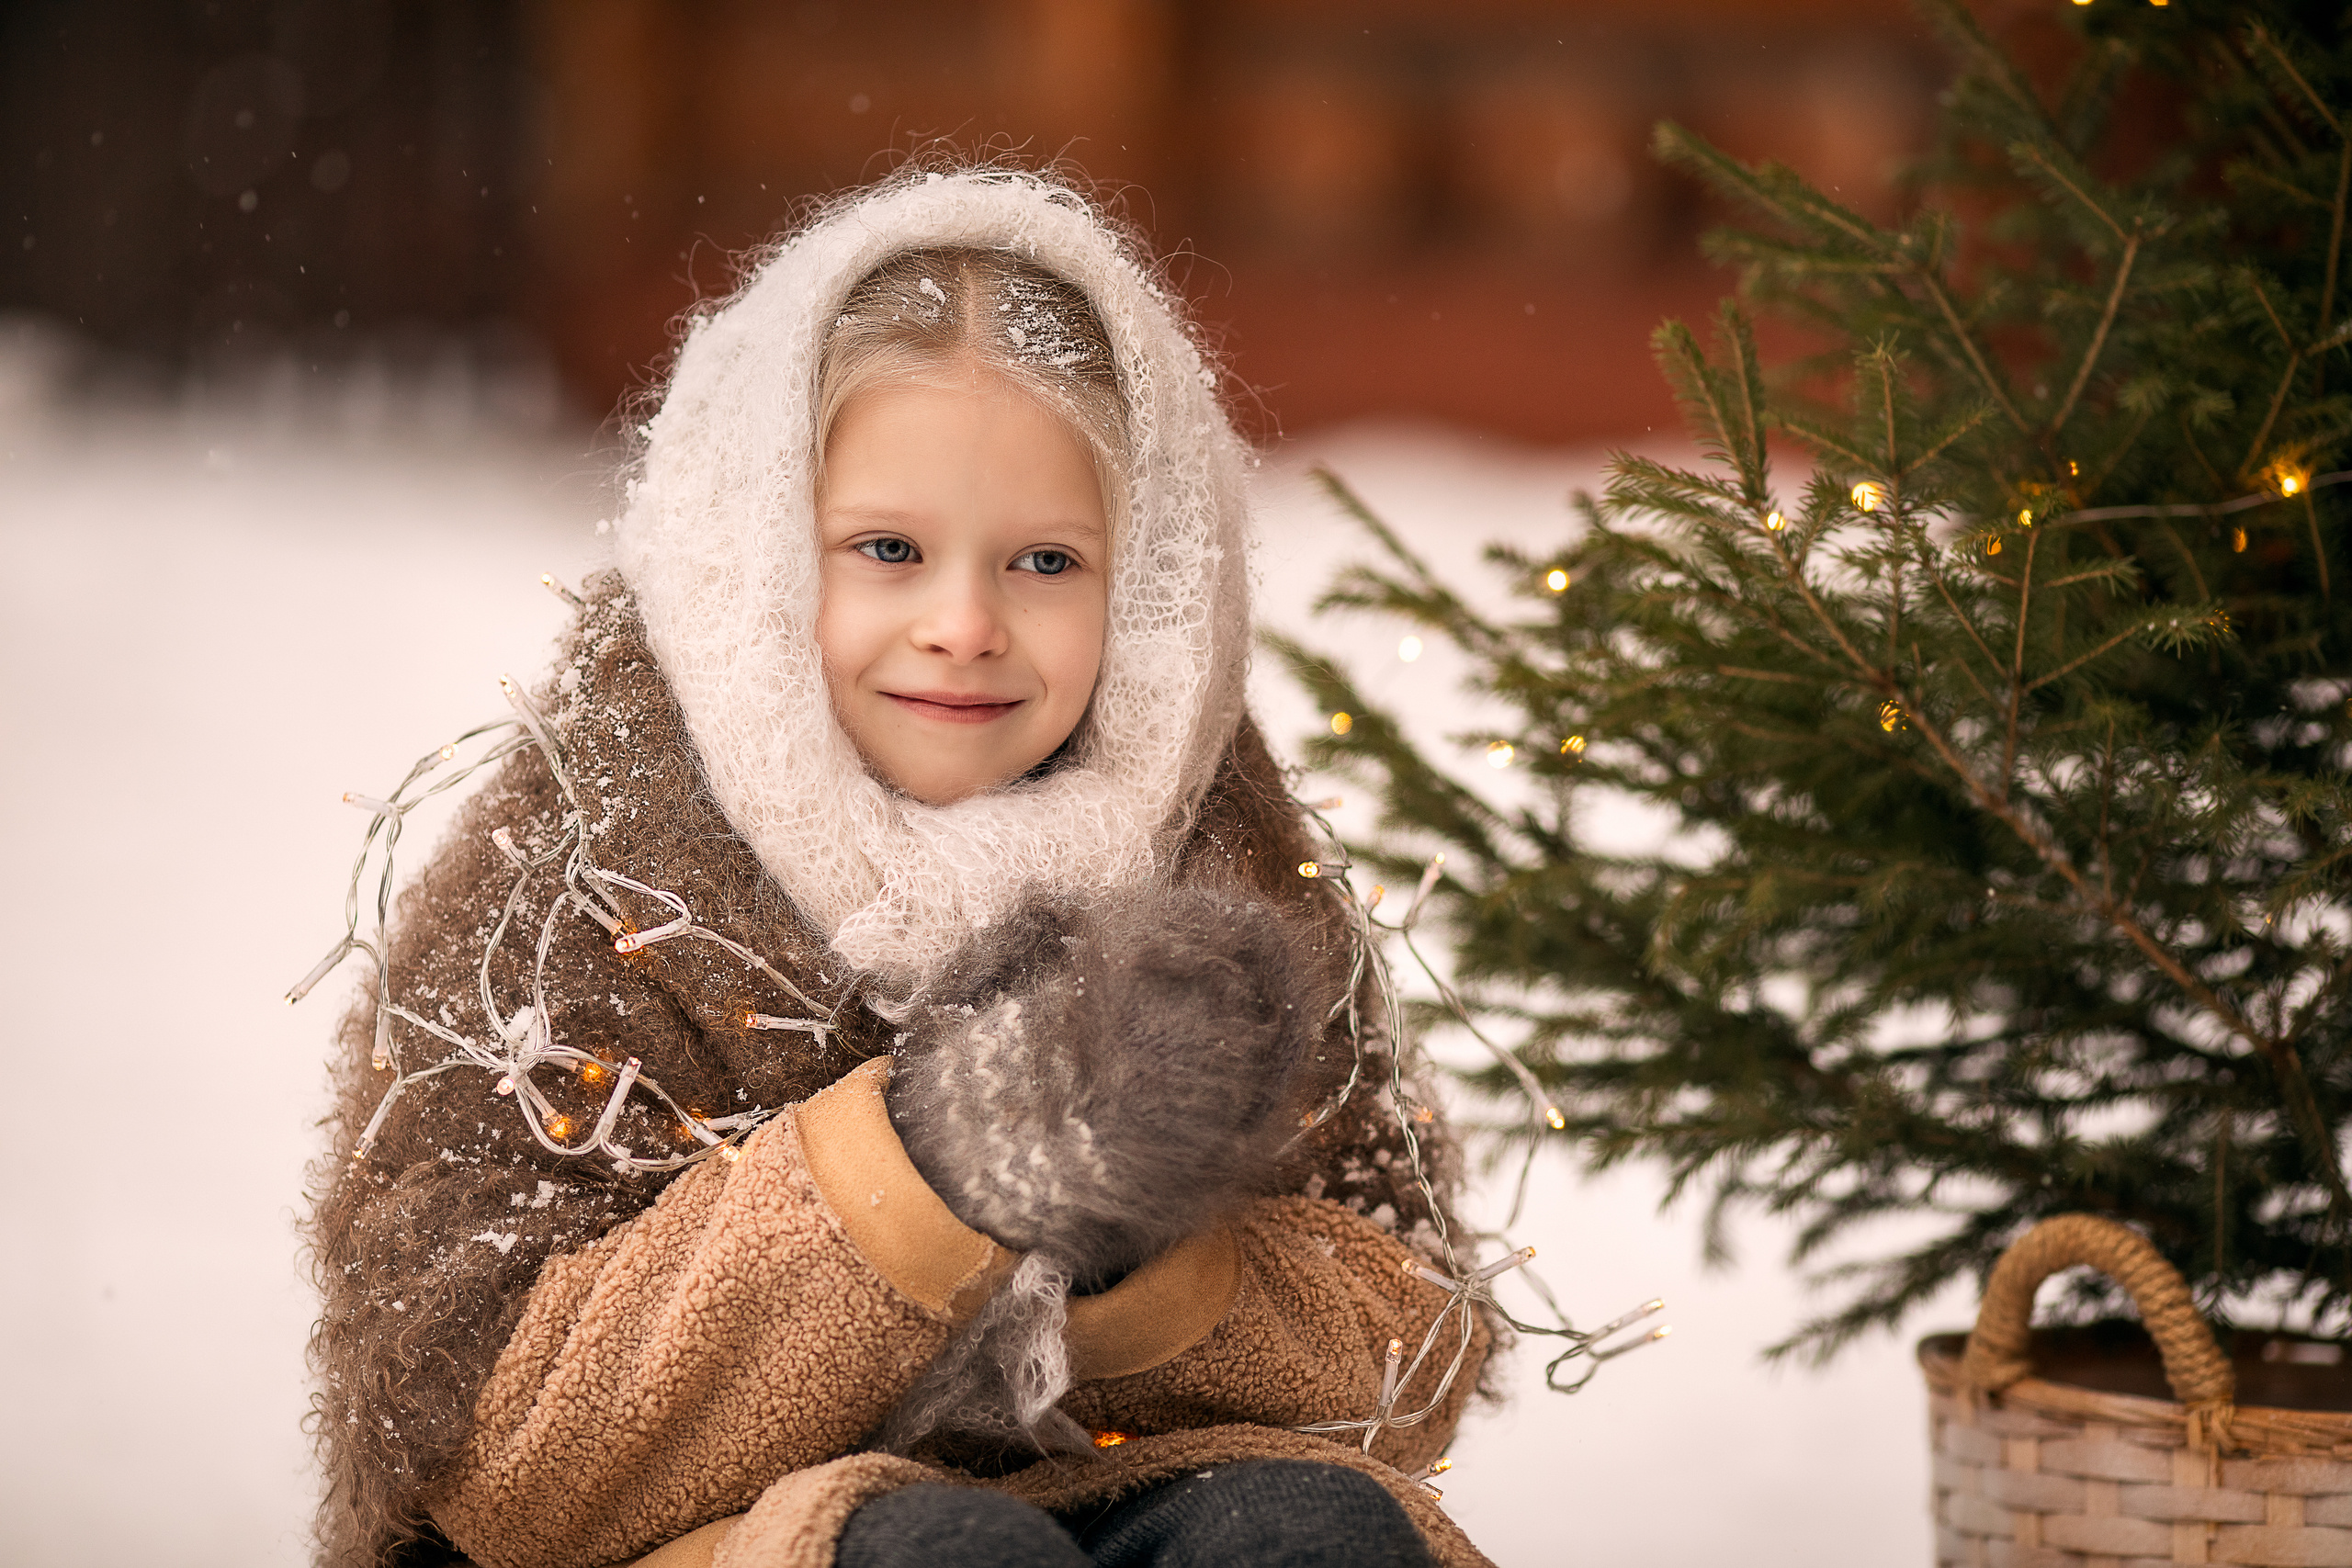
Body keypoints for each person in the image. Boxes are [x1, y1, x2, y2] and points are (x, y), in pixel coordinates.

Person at [305, 168, 1492, 1568]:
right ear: (750, 559)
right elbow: (484, 1452)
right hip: (697, 1536)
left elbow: (1407, 1353)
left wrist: (1135, 1256)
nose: (964, 623)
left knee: (1312, 1537)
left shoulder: (1216, 850)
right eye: (887, 550)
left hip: (1134, 1481)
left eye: (1046, 560)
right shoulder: (593, 861)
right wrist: (931, 1172)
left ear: (1155, 577)